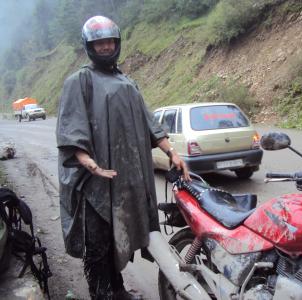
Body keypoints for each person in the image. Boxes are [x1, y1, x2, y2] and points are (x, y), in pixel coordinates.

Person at [56, 15, 189, 300]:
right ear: (89, 47)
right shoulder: (79, 81)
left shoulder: (127, 82)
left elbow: (148, 122)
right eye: (99, 43)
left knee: (121, 234)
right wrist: (88, 162)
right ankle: (102, 293)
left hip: (126, 179)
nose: (105, 47)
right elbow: (71, 127)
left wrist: (172, 152)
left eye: (109, 42)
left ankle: (117, 290)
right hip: (94, 184)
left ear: (117, 44)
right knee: (99, 243)